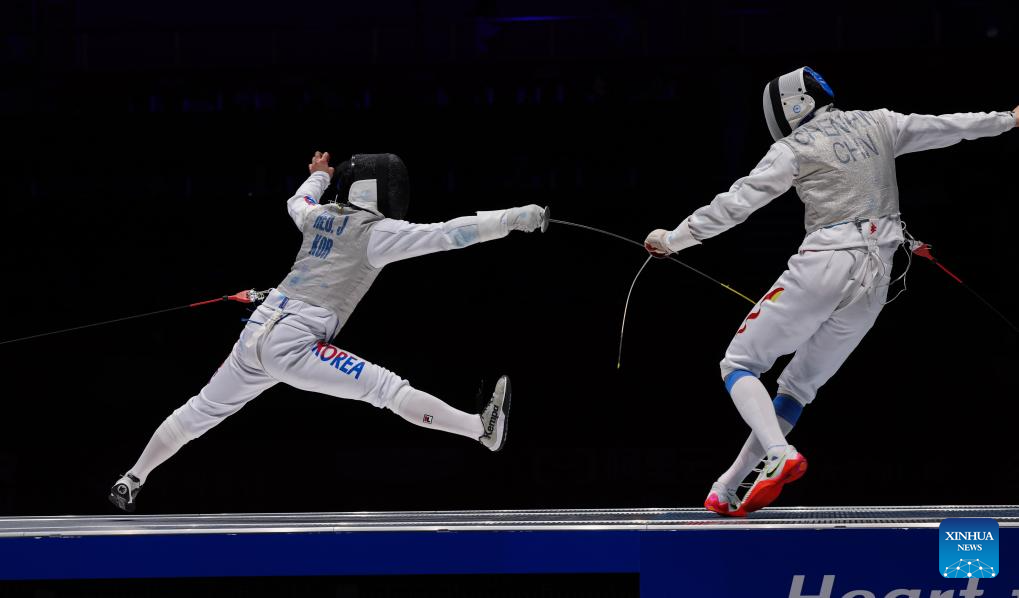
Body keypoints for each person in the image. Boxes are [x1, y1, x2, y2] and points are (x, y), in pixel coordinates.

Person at [644, 67, 1017, 516]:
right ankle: (727, 486)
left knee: (739, 363)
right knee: (798, 387)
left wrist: (674, 239)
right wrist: (1009, 119)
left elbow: (736, 203)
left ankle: (778, 453)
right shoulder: (880, 122)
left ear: (793, 105)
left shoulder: (793, 147)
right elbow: (948, 127)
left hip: (825, 262)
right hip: (878, 277)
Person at [109, 151, 546, 512]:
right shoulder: (377, 233)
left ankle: (132, 478)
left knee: (200, 410)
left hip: (255, 335)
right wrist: (513, 218)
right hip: (294, 344)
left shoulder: (317, 216)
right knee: (387, 389)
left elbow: (296, 201)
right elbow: (449, 234)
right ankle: (480, 430)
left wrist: (318, 175)